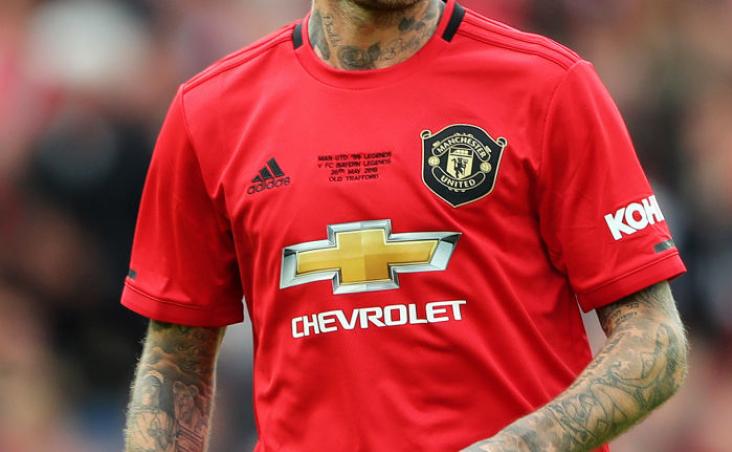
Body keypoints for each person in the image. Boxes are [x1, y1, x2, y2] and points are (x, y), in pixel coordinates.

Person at [121, 1, 689, 451]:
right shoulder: (210, 113)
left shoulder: (548, 87)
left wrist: (521, 445)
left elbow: (655, 341)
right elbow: (175, 363)